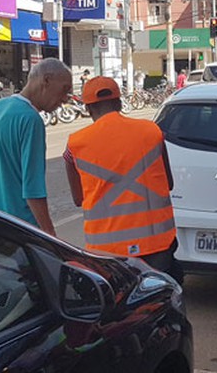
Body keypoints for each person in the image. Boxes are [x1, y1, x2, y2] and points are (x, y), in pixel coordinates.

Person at [63, 76, 182, 282]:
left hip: (106, 251)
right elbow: (168, 183)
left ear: (89, 109)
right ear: (119, 102)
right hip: (156, 244)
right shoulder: (152, 132)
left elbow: (78, 198)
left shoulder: (75, 145)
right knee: (163, 298)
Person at [0, 58, 73, 236]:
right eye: (64, 90)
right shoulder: (31, 120)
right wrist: (50, 235)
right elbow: (33, 189)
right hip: (23, 231)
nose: (64, 99)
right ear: (46, 80)